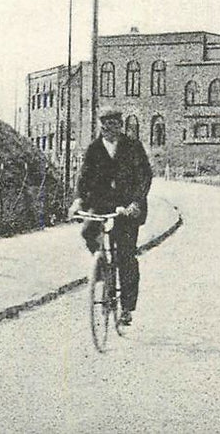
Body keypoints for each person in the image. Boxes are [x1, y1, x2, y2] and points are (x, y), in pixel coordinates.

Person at [68, 107, 152, 326]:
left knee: (126, 256)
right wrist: (78, 200)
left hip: (127, 208)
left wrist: (135, 202)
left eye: (114, 124)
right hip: (101, 204)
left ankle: (127, 307)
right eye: (105, 125)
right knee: (87, 230)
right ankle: (102, 268)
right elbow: (83, 177)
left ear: (120, 125)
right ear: (100, 126)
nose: (110, 129)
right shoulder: (94, 149)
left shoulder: (133, 147)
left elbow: (144, 177)